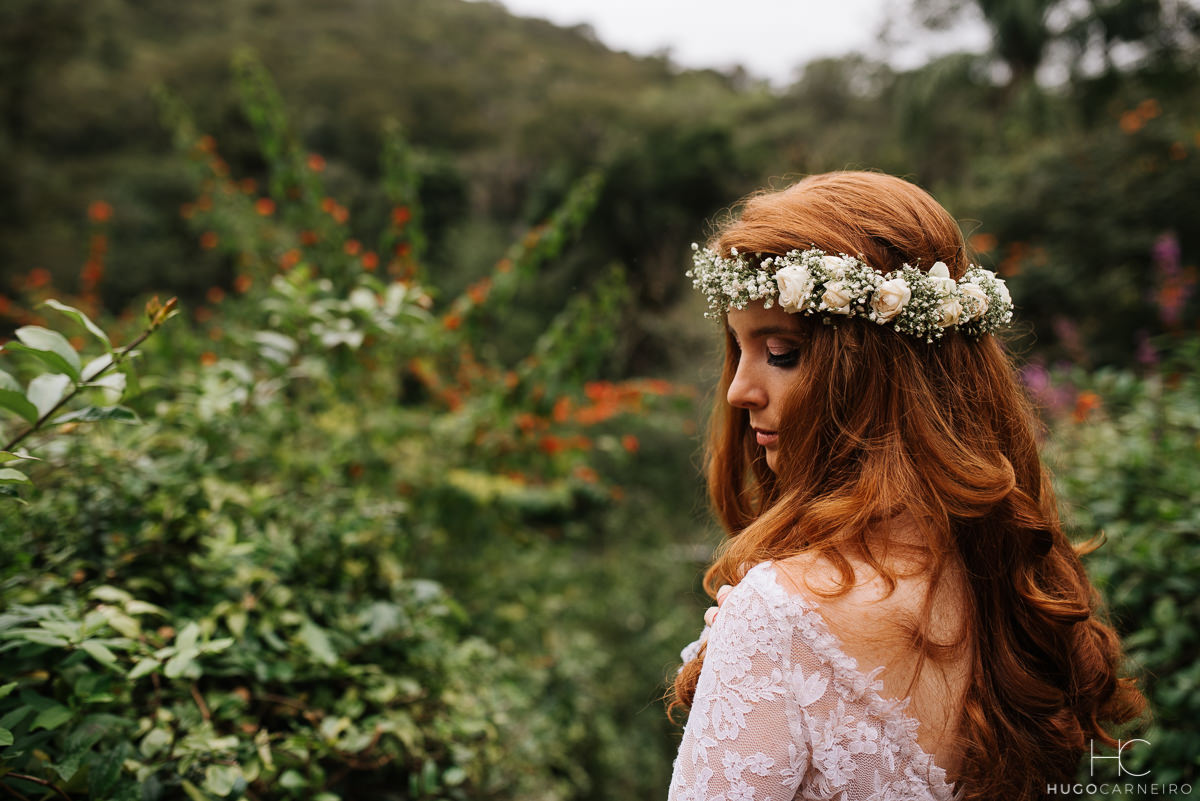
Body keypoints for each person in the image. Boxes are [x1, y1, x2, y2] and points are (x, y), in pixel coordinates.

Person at [665, 172, 1146, 801]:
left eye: (781, 353)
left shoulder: (779, 613)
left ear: (877, 373)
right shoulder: (1010, 583)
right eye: (739, 349)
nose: (738, 391)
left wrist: (760, 633)